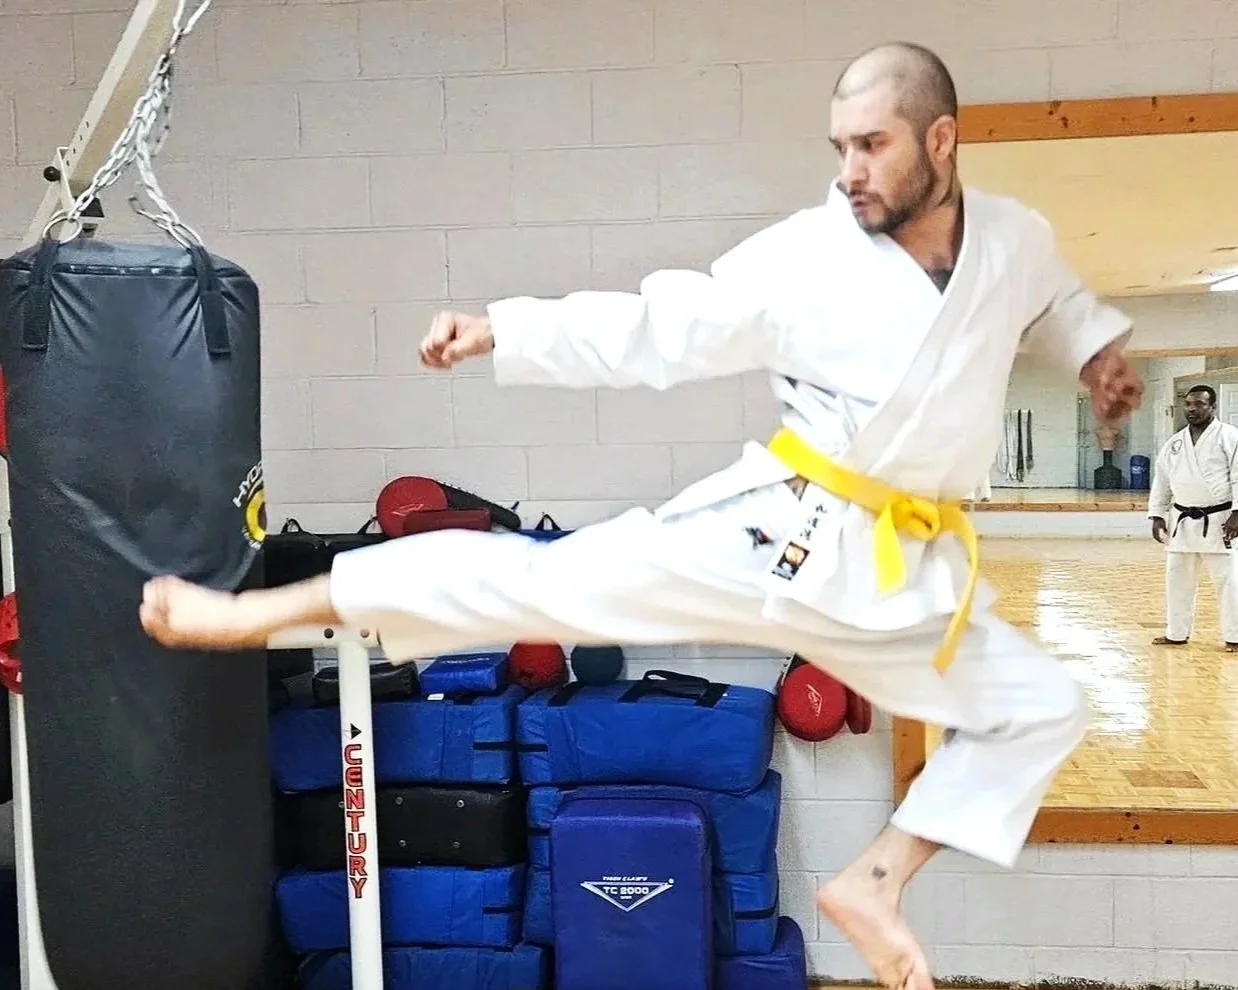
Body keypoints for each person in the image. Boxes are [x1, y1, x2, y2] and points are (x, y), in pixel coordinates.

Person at [139, 42, 1144, 990]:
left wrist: (1097, 357)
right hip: (781, 532)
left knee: (1039, 705)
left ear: (940, 141)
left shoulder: (1012, 240)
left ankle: (874, 882)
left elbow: (1054, 305)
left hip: (902, 577)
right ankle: (257, 612)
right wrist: (507, 330)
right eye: (839, 146)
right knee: (533, 581)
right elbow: (664, 322)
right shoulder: (814, 254)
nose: (848, 171)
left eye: (871, 145)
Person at [1148, 385, 1238, 651]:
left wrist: (1237, 513)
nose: (1192, 409)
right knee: (1177, 579)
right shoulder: (1175, 442)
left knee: (1230, 581)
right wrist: (1157, 514)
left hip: (1220, 520)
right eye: (1188, 404)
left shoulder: (1229, 436)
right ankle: (1176, 633)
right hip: (1182, 520)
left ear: (1213, 407)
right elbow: (1162, 480)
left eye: (1199, 404)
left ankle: (1235, 636)